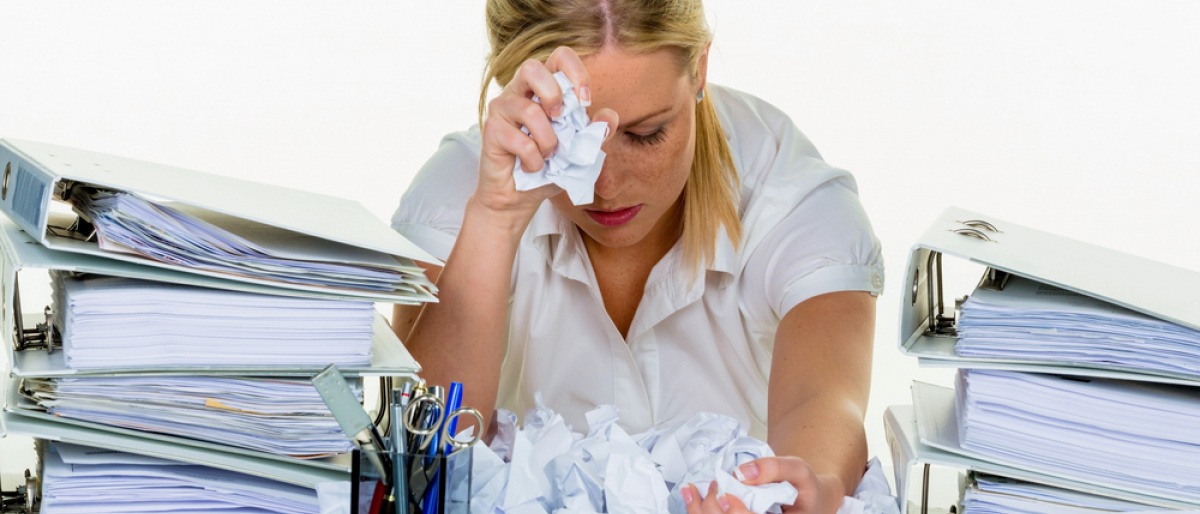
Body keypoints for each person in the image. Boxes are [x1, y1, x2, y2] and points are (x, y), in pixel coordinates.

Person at [391, 1, 884, 512]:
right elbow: (421, 465)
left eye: (646, 134)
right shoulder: (457, 197)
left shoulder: (793, 199)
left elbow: (824, 404)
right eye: (571, 141)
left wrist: (803, 487)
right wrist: (494, 220)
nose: (604, 185)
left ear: (700, 70)